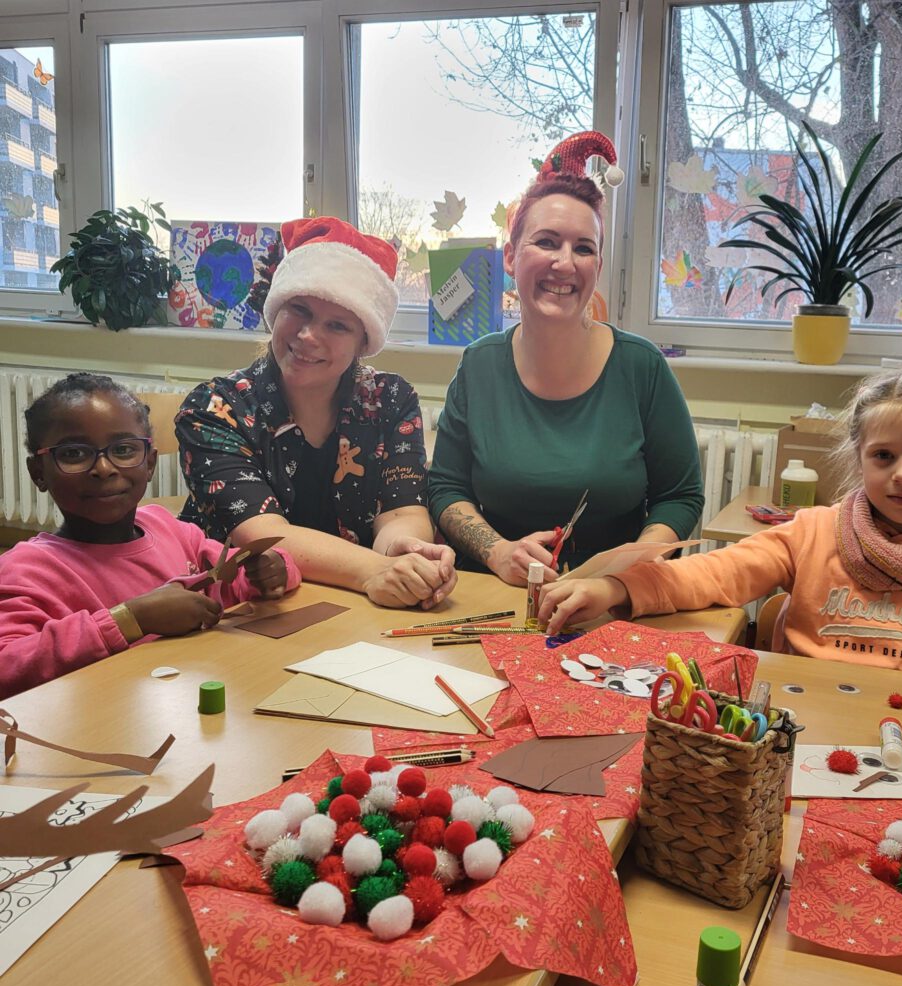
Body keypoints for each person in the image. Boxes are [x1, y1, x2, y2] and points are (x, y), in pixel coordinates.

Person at [539, 371, 902, 684]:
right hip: (803, 723)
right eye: (883, 456)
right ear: (858, 460)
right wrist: (613, 587)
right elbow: (714, 573)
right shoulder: (813, 531)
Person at [427, 131, 704, 586]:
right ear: (512, 257)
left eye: (583, 248)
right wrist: (497, 552)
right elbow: (446, 488)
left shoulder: (641, 367)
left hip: (608, 604)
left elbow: (681, 496)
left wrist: (627, 572)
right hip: (495, 599)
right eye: (547, 242)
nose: (565, 263)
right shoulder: (479, 366)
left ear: (597, 265)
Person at [176, 217, 457, 610]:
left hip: (351, 608)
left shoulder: (391, 399)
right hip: (238, 614)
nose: (308, 336)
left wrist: (404, 551)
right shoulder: (214, 410)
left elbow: (400, 510)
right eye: (299, 310)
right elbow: (265, 535)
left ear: (363, 340)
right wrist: (373, 571)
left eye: (337, 325)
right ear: (275, 309)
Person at [0, 373, 299, 698]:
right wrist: (129, 620)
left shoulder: (172, 530)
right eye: (74, 454)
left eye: (124, 449)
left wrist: (269, 571)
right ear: (38, 473)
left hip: (184, 712)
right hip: (96, 731)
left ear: (150, 463)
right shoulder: (27, 570)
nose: (103, 468)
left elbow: (236, 581)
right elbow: (8, 667)